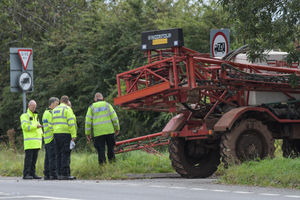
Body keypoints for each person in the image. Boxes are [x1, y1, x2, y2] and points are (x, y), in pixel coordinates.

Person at [85, 92, 120, 164]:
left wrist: (88, 133)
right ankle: (112, 164)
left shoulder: (91, 107)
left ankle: (103, 166)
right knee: (111, 148)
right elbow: (114, 118)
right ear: (103, 98)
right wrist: (117, 128)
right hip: (109, 131)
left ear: (95, 99)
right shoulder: (107, 105)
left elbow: (88, 122)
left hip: (98, 133)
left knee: (101, 150)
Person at [52, 95, 77, 180]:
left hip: (56, 134)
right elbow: (71, 123)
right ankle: (65, 174)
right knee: (65, 154)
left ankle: (59, 173)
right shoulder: (67, 109)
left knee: (58, 154)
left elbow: (52, 124)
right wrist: (73, 136)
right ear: (67, 102)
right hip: (65, 134)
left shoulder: (54, 110)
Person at [20, 100, 43, 179]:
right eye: (33, 106)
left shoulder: (36, 116)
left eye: (35, 107)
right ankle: (26, 174)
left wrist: (42, 134)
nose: (34, 108)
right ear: (29, 106)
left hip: (36, 142)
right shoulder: (24, 115)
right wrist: (36, 126)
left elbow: (39, 128)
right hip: (29, 142)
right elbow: (25, 127)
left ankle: (33, 174)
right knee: (28, 159)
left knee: (34, 160)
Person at [42, 97, 59, 180]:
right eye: (56, 104)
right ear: (52, 104)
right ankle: (53, 174)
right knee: (52, 156)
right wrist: (57, 130)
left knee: (48, 157)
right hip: (51, 137)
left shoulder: (46, 112)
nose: (57, 106)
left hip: (47, 138)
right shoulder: (49, 113)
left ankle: (47, 174)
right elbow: (51, 125)